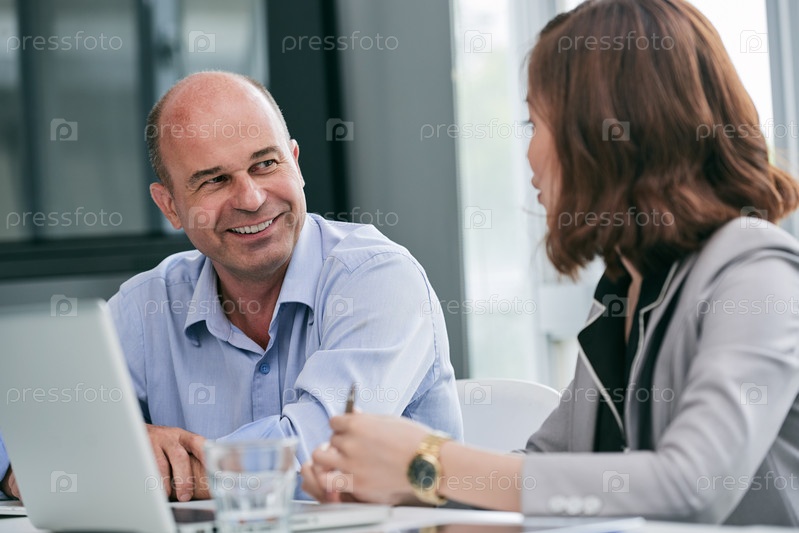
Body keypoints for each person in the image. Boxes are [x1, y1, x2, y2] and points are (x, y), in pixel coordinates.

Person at [301, 0, 799, 525]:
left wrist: (429, 462)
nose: (529, 153)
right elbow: (547, 467)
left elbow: (692, 485)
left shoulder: (756, 272)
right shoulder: (625, 289)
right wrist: (402, 488)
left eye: (535, 123)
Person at [0, 71, 462, 502]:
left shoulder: (378, 278)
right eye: (215, 180)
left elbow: (323, 456)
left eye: (265, 164)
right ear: (170, 206)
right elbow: (26, 422)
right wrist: (23, 465)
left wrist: (121, 465)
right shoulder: (149, 305)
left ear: (295, 164)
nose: (251, 198)